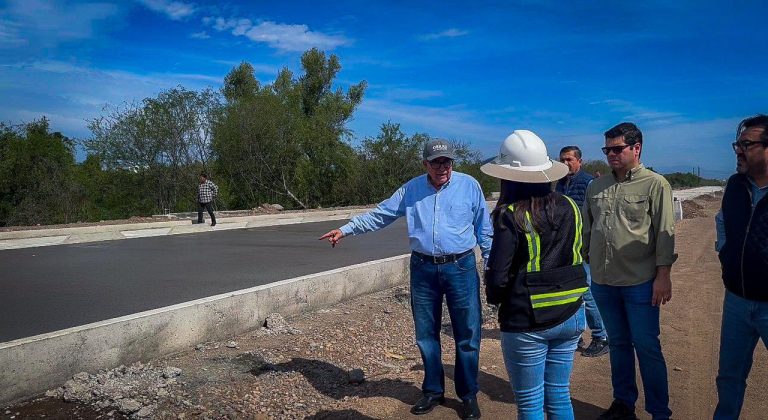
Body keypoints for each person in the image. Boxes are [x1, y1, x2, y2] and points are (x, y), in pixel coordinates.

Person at [319, 139, 492, 419]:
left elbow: (484, 228)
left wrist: (490, 265)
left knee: (468, 334)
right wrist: (346, 229)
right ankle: (433, 391)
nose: (442, 167)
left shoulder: (469, 185)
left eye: (446, 162)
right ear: (425, 164)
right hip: (423, 269)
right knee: (426, 334)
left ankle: (468, 394)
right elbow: (380, 215)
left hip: (460, 267)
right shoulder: (411, 189)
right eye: (435, 162)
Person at [483, 130, 587, 419]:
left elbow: (498, 278)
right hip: (572, 313)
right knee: (559, 396)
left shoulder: (511, 215)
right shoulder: (571, 207)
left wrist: (496, 298)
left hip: (527, 319)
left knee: (530, 405)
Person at [583, 122, 677, 420]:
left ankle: (659, 411)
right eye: (606, 149)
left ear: (636, 148)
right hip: (603, 281)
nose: (611, 154)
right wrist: (584, 262)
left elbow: (664, 232)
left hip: (640, 281)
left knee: (647, 347)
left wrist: (663, 275)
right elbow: (588, 229)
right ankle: (623, 404)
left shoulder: (655, 184)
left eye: (617, 149)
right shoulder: (596, 187)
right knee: (619, 344)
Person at [713, 114, 768, 420]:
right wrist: (725, 253)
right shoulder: (735, 185)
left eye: (746, 144)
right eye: (738, 143)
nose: (738, 150)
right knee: (729, 378)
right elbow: (721, 222)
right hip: (736, 300)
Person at [556, 146, 609, 357]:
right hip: (564, 247)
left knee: (586, 291)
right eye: (562, 160)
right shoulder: (559, 184)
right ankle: (575, 334)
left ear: (579, 161)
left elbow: (596, 217)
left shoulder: (588, 183)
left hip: (583, 248)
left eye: (569, 159)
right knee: (570, 292)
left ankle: (601, 335)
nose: (566, 163)